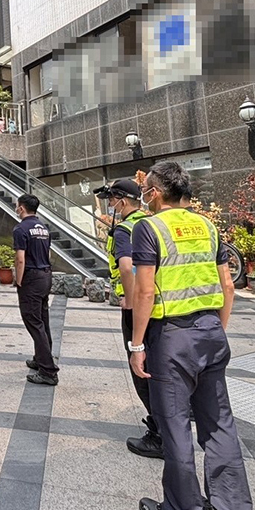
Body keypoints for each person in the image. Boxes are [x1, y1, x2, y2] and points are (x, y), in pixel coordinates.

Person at [130, 161, 251, 510]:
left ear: (155, 193)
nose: (144, 196)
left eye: (146, 189)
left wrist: (137, 344)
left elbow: (144, 292)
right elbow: (228, 286)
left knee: (175, 425)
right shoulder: (208, 226)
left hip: (172, 338)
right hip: (211, 331)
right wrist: (217, 329)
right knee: (219, 423)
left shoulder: (149, 228)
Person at [95, 179, 162, 459]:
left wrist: (130, 300)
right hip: (159, 304)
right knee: (158, 365)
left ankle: (159, 433)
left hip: (137, 306)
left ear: (123, 201)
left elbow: (125, 266)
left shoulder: (124, 229)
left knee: (141, 368)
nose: (110, 205)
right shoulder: (152, 223)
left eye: (112, 200)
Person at [14, 194, 59, 386]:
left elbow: (20, 259)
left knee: (33, 322)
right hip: (45, 275)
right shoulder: (44, 228)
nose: (16, 209)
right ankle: (40, 358)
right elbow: (47, 252)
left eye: (17, 206)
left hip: (31, 278)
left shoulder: (20, 229)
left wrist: (19, 281)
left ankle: (48, 371)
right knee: (42, 320)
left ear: (22, 208)